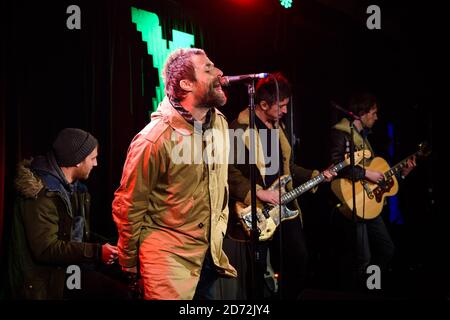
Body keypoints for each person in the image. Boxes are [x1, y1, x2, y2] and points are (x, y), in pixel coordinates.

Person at [112, 48, 237, 300]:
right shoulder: (154, 139)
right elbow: (129, 205)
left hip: (208, 258)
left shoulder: (220, 123)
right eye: (208, 69)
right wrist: (128, 263)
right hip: (168, 264)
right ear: (186, 84)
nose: (220, 73)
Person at [227, 72, 335, 300]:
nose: (285, 111)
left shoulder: (279, 128)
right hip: (256, 209)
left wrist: (316, 175)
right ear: (263, 104)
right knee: (256, 272)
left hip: (284, 204)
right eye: (281, 106)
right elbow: (230, 173)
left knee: (299, 258)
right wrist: (257, 193)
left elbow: (288, 168)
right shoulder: (239, 128)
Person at [7, 128, 126, 299]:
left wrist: (112, 246)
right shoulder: (42, 195)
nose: (96, 164)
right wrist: (97, 252)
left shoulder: (73, 188)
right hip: (52, 278)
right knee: (116, 294)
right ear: (77, 161)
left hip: (69, 268)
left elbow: (75, 235)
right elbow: (47, 249)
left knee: (124, 275)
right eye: (92, 158)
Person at [329, 92, 416, 292]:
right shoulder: (341, 132)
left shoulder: (364, 138)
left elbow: (379, 180)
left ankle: (371, 287)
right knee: (362, 258)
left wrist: (402, 174)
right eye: (373, 113)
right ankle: (359, 292)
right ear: (361, 113)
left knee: (387, 249)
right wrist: (366, 172)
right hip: (354, 201)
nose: (376, 117)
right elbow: (337, 166)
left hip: (369, 204)